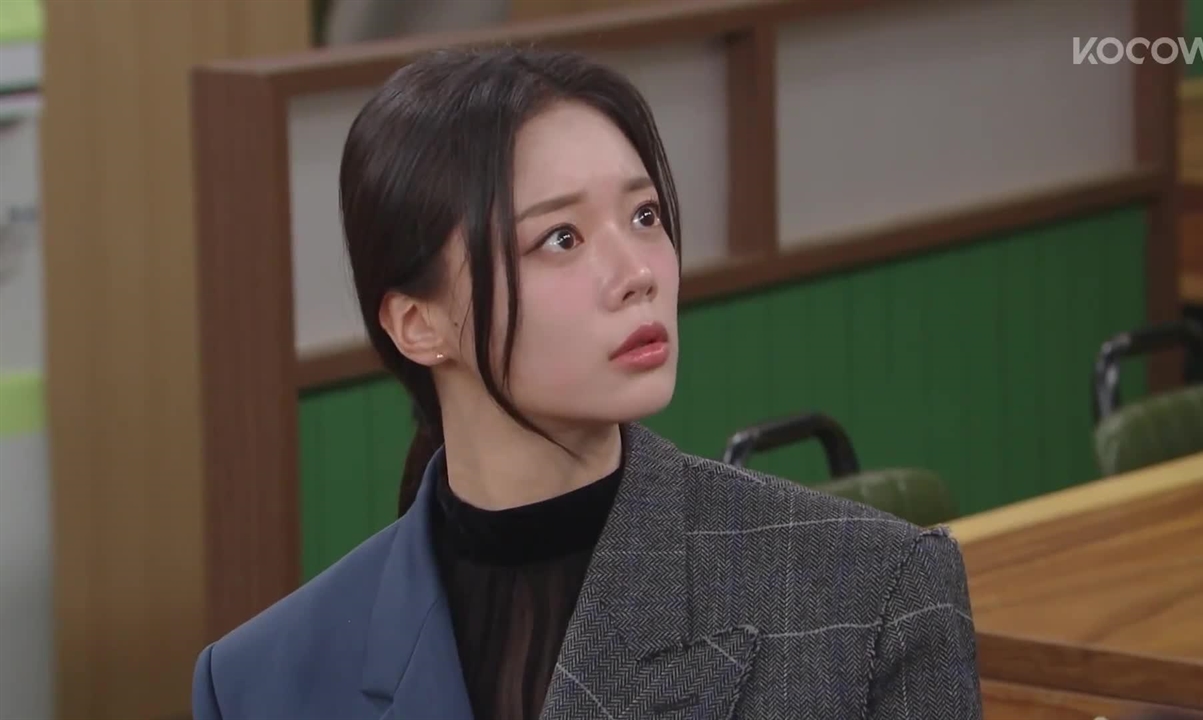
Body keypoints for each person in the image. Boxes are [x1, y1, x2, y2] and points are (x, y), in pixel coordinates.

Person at [191, 47, 982, 720]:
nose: (638, 273)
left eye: (644, 216)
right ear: (417, 324)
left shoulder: (869, 594)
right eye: (562, 237)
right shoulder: (260, 681)